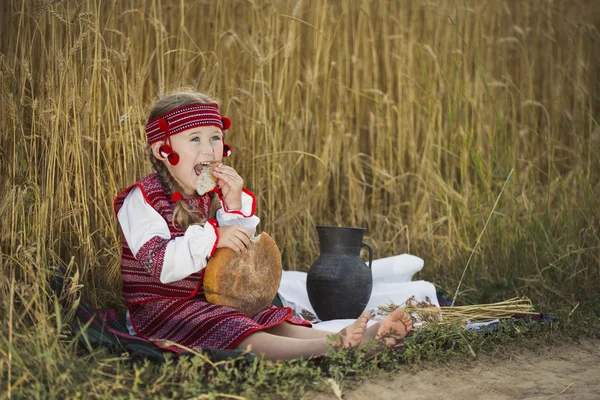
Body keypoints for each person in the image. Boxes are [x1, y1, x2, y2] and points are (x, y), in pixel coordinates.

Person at [114, 89, 413, 360]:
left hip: (210, 300)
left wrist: (232, 209)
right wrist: (216, 237)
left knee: (268, 317)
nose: (209, 150)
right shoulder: (143, 200)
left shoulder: (212, 194)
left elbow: (236, 259)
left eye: (215, 137)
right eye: (195, 139)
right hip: (161, 308)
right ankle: (334, 348)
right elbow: (161, 264)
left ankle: (345, 339)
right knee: (234, 326)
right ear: (162, 150)